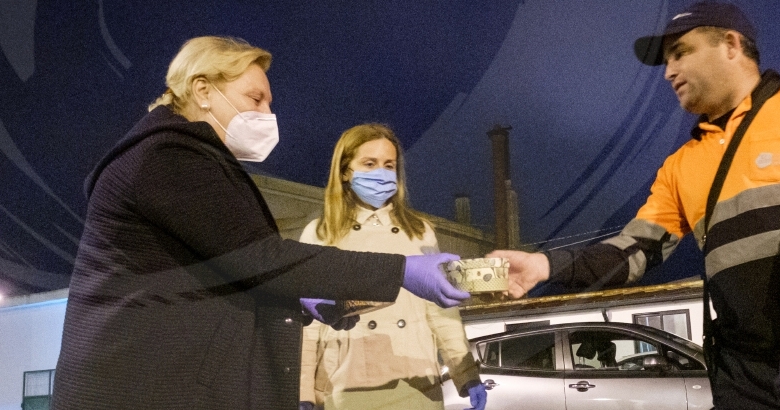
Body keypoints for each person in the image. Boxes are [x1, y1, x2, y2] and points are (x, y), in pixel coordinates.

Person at [490, 2, 780, 408]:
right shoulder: (680, 165)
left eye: (680, 52)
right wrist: (543, 265)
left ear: (730, 44)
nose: (668, 72)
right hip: (748, 380)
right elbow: (634, 251)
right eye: (666, 60)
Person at [52, 36, 470, 410]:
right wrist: (401, 270)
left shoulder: (183, 156)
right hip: (145, 387)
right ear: (203, 90)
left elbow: (219, 269)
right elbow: (260, 257)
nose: (267, 114)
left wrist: (299, 298)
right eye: (255, 99)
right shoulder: (168, 158)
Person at [296, 124, 488, 410]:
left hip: (416, 380)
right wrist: (303, 392)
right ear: (345, 171)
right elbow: (309, 324)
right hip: (346, 382)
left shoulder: (419, 232)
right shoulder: (320, 233)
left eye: (389, 165)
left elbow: (441, 312)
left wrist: (466, 373)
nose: (381, 173)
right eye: (369, 164)